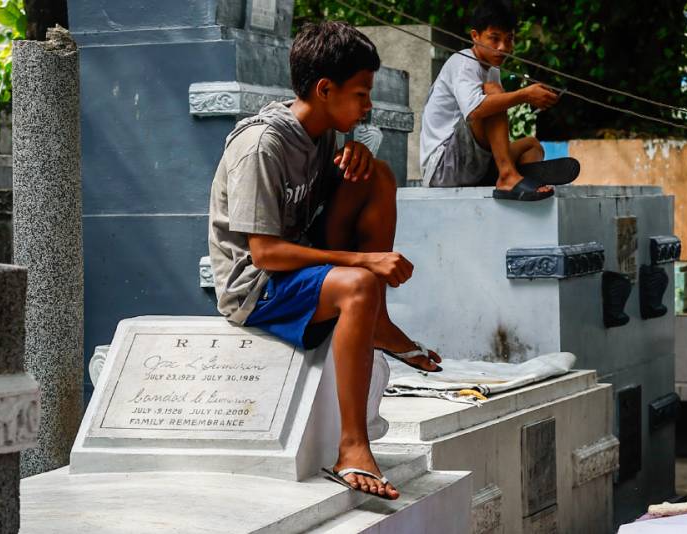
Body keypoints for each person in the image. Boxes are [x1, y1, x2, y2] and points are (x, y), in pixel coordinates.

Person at [207, 21, 442, 500]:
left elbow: (357, 161)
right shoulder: (261, 146)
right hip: (256, 286)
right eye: (361, 94)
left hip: (297, 259)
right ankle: (353, 445)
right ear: (324, 89)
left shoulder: (321, 134)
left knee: (376, 175)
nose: (368, 105)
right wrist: (365, 260)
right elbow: (265, 253)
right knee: (357, 283)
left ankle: (377, 321)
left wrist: (358, 151)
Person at [419, 0, 562, 200]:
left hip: (474, 164)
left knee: (532, 146)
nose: (503, 47)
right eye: (494, 38)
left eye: (509, 39)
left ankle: (515, 182)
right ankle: (507, 176)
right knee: (493, 93)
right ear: (475, 36)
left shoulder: (492, 70)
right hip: (444, 168)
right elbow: (475, 110)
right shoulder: (463, 61)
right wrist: (524, 95)